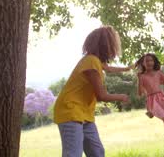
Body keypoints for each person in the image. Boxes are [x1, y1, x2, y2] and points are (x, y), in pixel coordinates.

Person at [53, 26, 130, 157]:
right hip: (70, 110)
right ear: (107, 45)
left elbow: (108, 68)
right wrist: (122, 97)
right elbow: (101, 96)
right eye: (114, 44)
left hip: (84, 113)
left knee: (97, 152)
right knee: (73, 154)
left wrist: (127, 69)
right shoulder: (91, 62)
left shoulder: (95, 61)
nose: (116, 48)